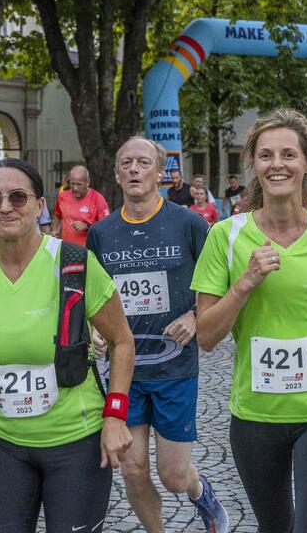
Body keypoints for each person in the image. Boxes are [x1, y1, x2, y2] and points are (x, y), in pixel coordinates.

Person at [190, 109, 307, 533]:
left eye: (288, 154)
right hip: (255, 415)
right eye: (266, 155)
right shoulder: (227, 236)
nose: (277, 164)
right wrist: (245, 283)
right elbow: (206, 335)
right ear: (253, 163)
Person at [0, 158, 135, 532]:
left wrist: (115, 416)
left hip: (77, 442)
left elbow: (122, 342)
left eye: (18, 196)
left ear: (40, 205)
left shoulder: (75, 265)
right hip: (3, 445)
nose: (6, 207)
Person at [87, 137, 226, 533]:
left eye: (143, 162)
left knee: (173, 475)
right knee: (131, 469)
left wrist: (197, 315)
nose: (133, 169)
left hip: (175, 367)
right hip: (126, 369)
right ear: (116, 174)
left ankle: (202, 493)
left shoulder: (189, 224)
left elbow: (221, 281)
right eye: (126, 162)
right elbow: (95, 292)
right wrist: (97, 329)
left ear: (160, 173)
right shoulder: (101, 233)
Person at [53, 165, 111, 245]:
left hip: (89, 250)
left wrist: (87, 227)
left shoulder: (98, 199)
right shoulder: (62, 197)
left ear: (87, 183)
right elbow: (58, 215)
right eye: (72, 184)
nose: (75, 188)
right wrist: (55, 230)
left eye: (79, 184)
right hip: (66, 249)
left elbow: (107, 227)